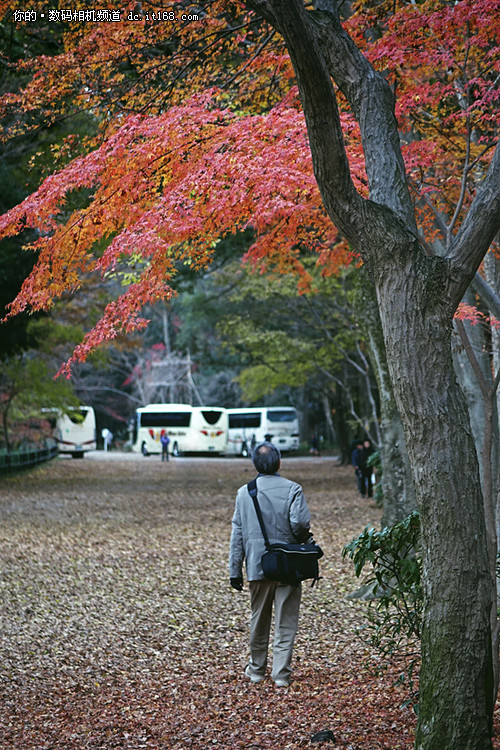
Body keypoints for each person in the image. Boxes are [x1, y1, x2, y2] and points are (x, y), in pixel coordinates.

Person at [229, 441, 315, 688]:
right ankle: (281, 675)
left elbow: (237, 535)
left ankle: (256, 670)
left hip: (258, 564)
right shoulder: (292, 489)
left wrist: (235, 570)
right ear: (279, 463)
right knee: (285, 622)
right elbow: (300, 524)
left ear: (255, 464)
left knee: (259, 618)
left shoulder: (244, 493)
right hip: (289, 563)